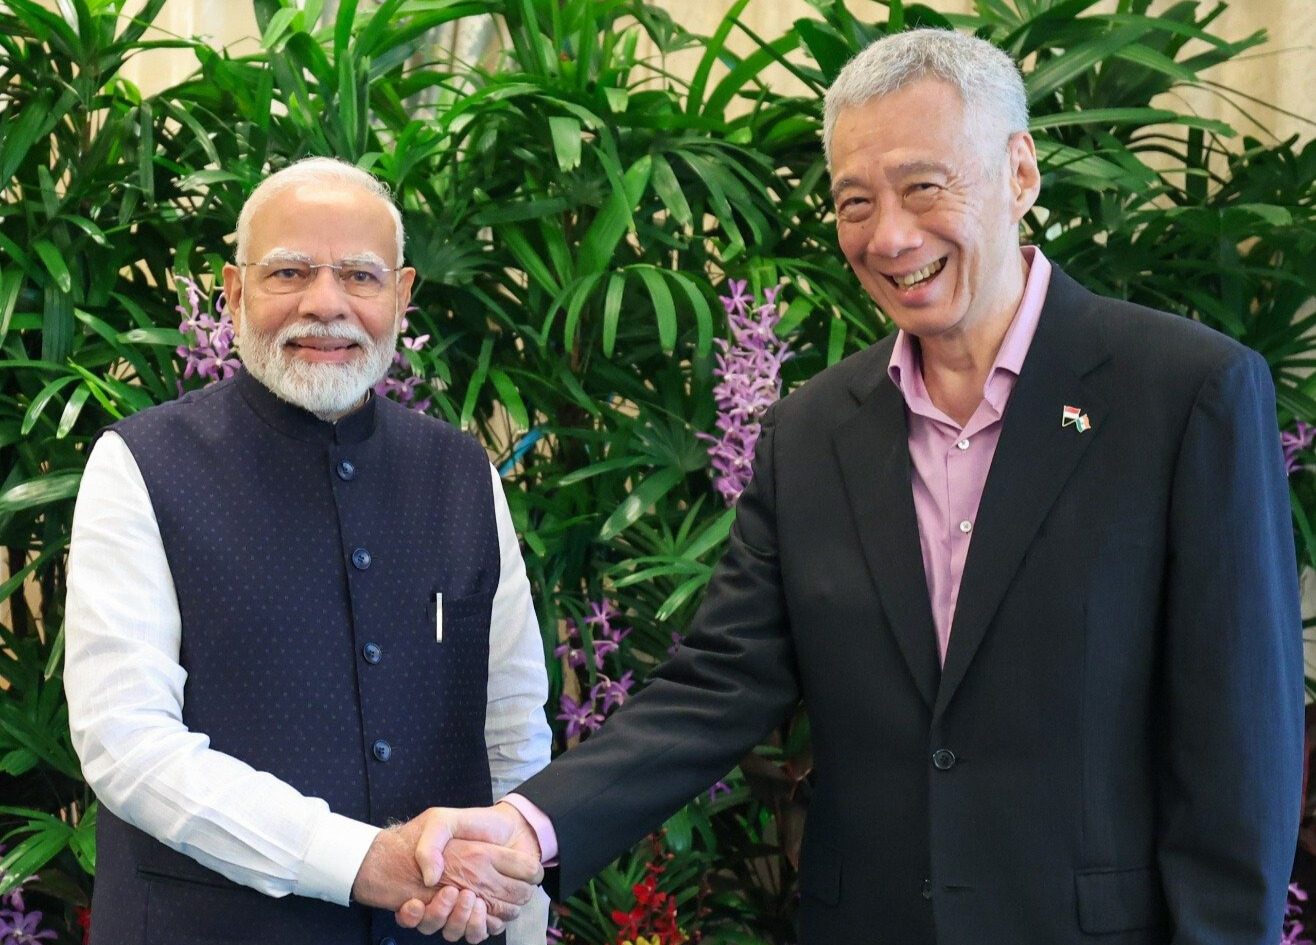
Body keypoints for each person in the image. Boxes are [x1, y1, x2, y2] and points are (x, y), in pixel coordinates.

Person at [398, 28, 1305, 944]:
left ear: (1020, 173)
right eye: (854, 202)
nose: (890, 236)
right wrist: (525, 828)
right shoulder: (814, 428)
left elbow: (1239, 746)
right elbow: (717, 686)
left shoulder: (1183, 393)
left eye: (924, 187)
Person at [63, 157, 552, 945]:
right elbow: (128, 741)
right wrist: (361, 859)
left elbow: (513, 723)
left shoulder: (462, 473)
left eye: (360, 276)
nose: (325, 304)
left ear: (402, 295)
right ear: (232, 290)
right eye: (289, 271)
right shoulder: (139, 466)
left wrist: (521, 911)